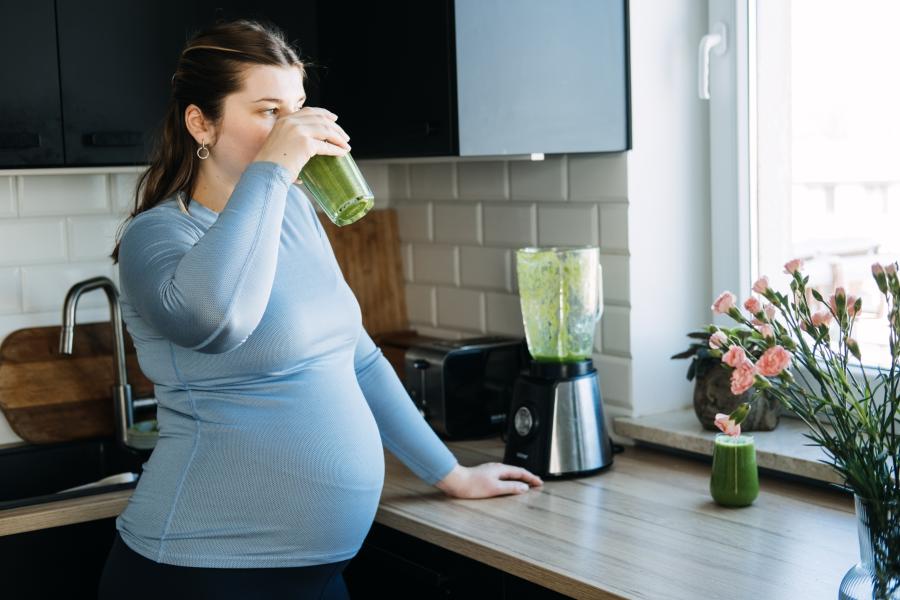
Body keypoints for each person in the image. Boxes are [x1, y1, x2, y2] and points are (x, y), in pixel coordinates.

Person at [97, 18, 542, 599]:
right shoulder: (156, 238)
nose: (293, 130)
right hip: (199, 569)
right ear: (200, 122)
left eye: (297, 108)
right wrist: (275, 168)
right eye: (267, 112)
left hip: (319, 574)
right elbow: (218, 319)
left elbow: (358, 360)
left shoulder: (298, 214)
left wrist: (450, 473)